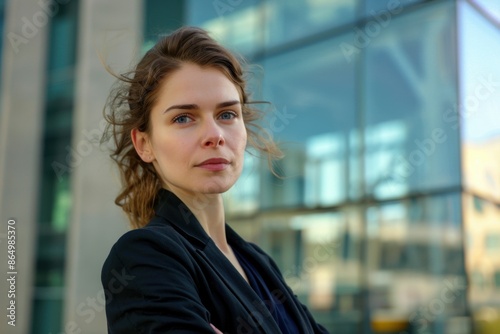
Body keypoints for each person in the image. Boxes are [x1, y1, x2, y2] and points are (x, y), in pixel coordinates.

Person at [101, 26, 329, 334]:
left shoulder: (257, 261)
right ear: (145, 144)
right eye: (183, 118)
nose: (214, 136)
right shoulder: (144, 257)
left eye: (227, 115)